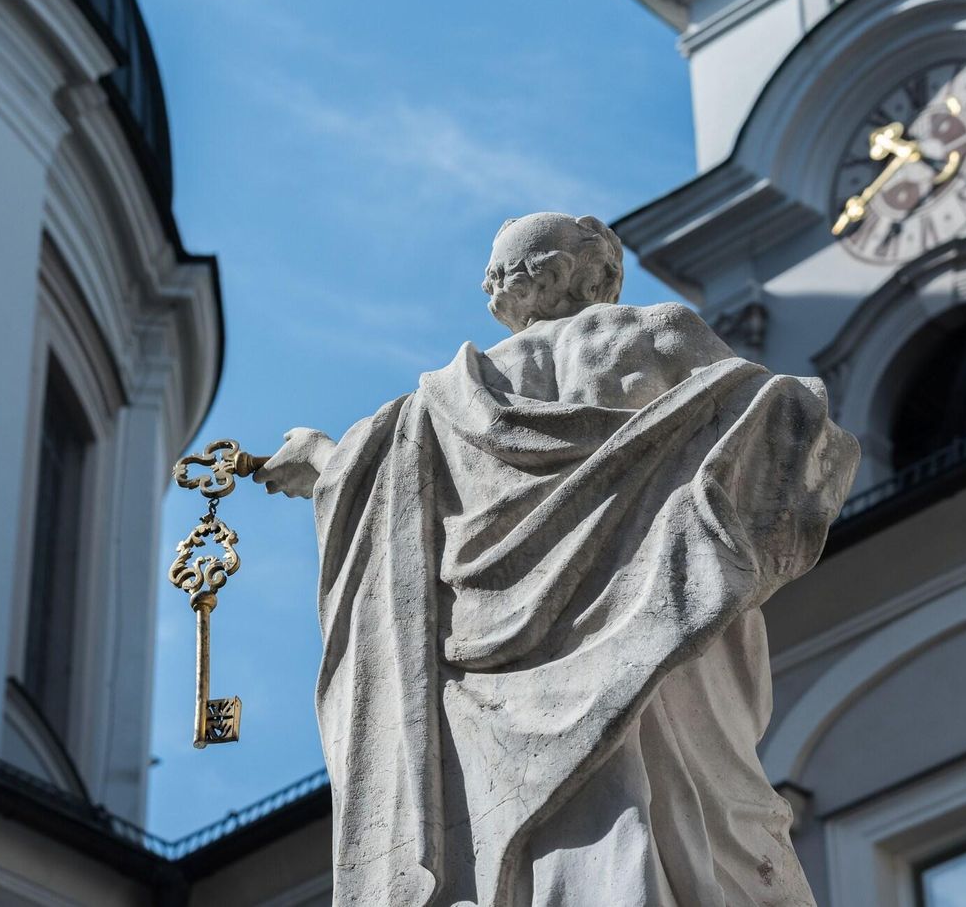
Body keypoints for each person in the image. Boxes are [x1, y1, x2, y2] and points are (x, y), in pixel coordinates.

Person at [252, 213, 859, 906]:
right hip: (646, 639)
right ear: (593, 275)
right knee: (658, 815)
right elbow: (780, 436)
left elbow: (372, 494)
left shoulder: (432, 411)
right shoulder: (655, 333)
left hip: (489, 688)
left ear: (505, 289)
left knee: (540, 844)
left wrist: (324, 463)